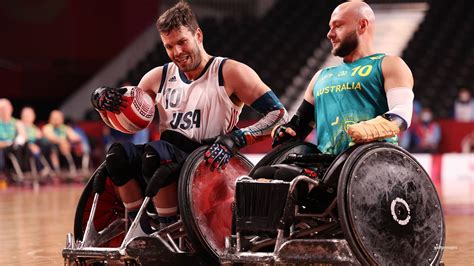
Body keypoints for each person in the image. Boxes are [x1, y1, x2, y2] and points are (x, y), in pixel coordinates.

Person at [90, 1, 288, 237]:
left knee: (156, 153)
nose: (177, 52)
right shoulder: (157, 77)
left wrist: (236, 139)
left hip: (208, 158)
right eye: (169, 46)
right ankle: (138, 227)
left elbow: (279, 116)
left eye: (182, 42)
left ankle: (168, 231)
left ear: (198, 35)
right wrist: (105, 103)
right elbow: (129, 124)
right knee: (117, 155)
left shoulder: (230, 72)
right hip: (167, 155)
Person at [273, 1, 414, 156]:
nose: (330, 33)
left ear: (362, 25)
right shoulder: (320, 76)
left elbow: (402, 115)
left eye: (338, 26)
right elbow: (298, 128)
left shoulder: (389, 65)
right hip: (327, 169)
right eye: (330, 27)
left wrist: (370, 129)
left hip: (374, 165)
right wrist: (286, 131)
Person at [42, 110, 83, 175]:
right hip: (49, 150)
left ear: (62, 119)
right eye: (54, 118)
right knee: (53, 147)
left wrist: (70, 142)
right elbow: (51, 137)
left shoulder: (65, 128)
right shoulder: (47, 127)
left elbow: (76, 137)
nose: (56, 120)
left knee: (76, 146)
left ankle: (73, 169)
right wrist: (62, 142)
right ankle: (56, 170)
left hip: (64, 148)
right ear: (50, 119)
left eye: (58, 118)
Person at [0, 99, 27, 179]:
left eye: (6, 108)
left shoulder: (17, 123)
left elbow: (23, 136)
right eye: (2, 109)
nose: (4, 111)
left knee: (23, 146)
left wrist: (15, 142)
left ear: (11, 109)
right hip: (2, 148)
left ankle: (20, 172)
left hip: (14, 147)